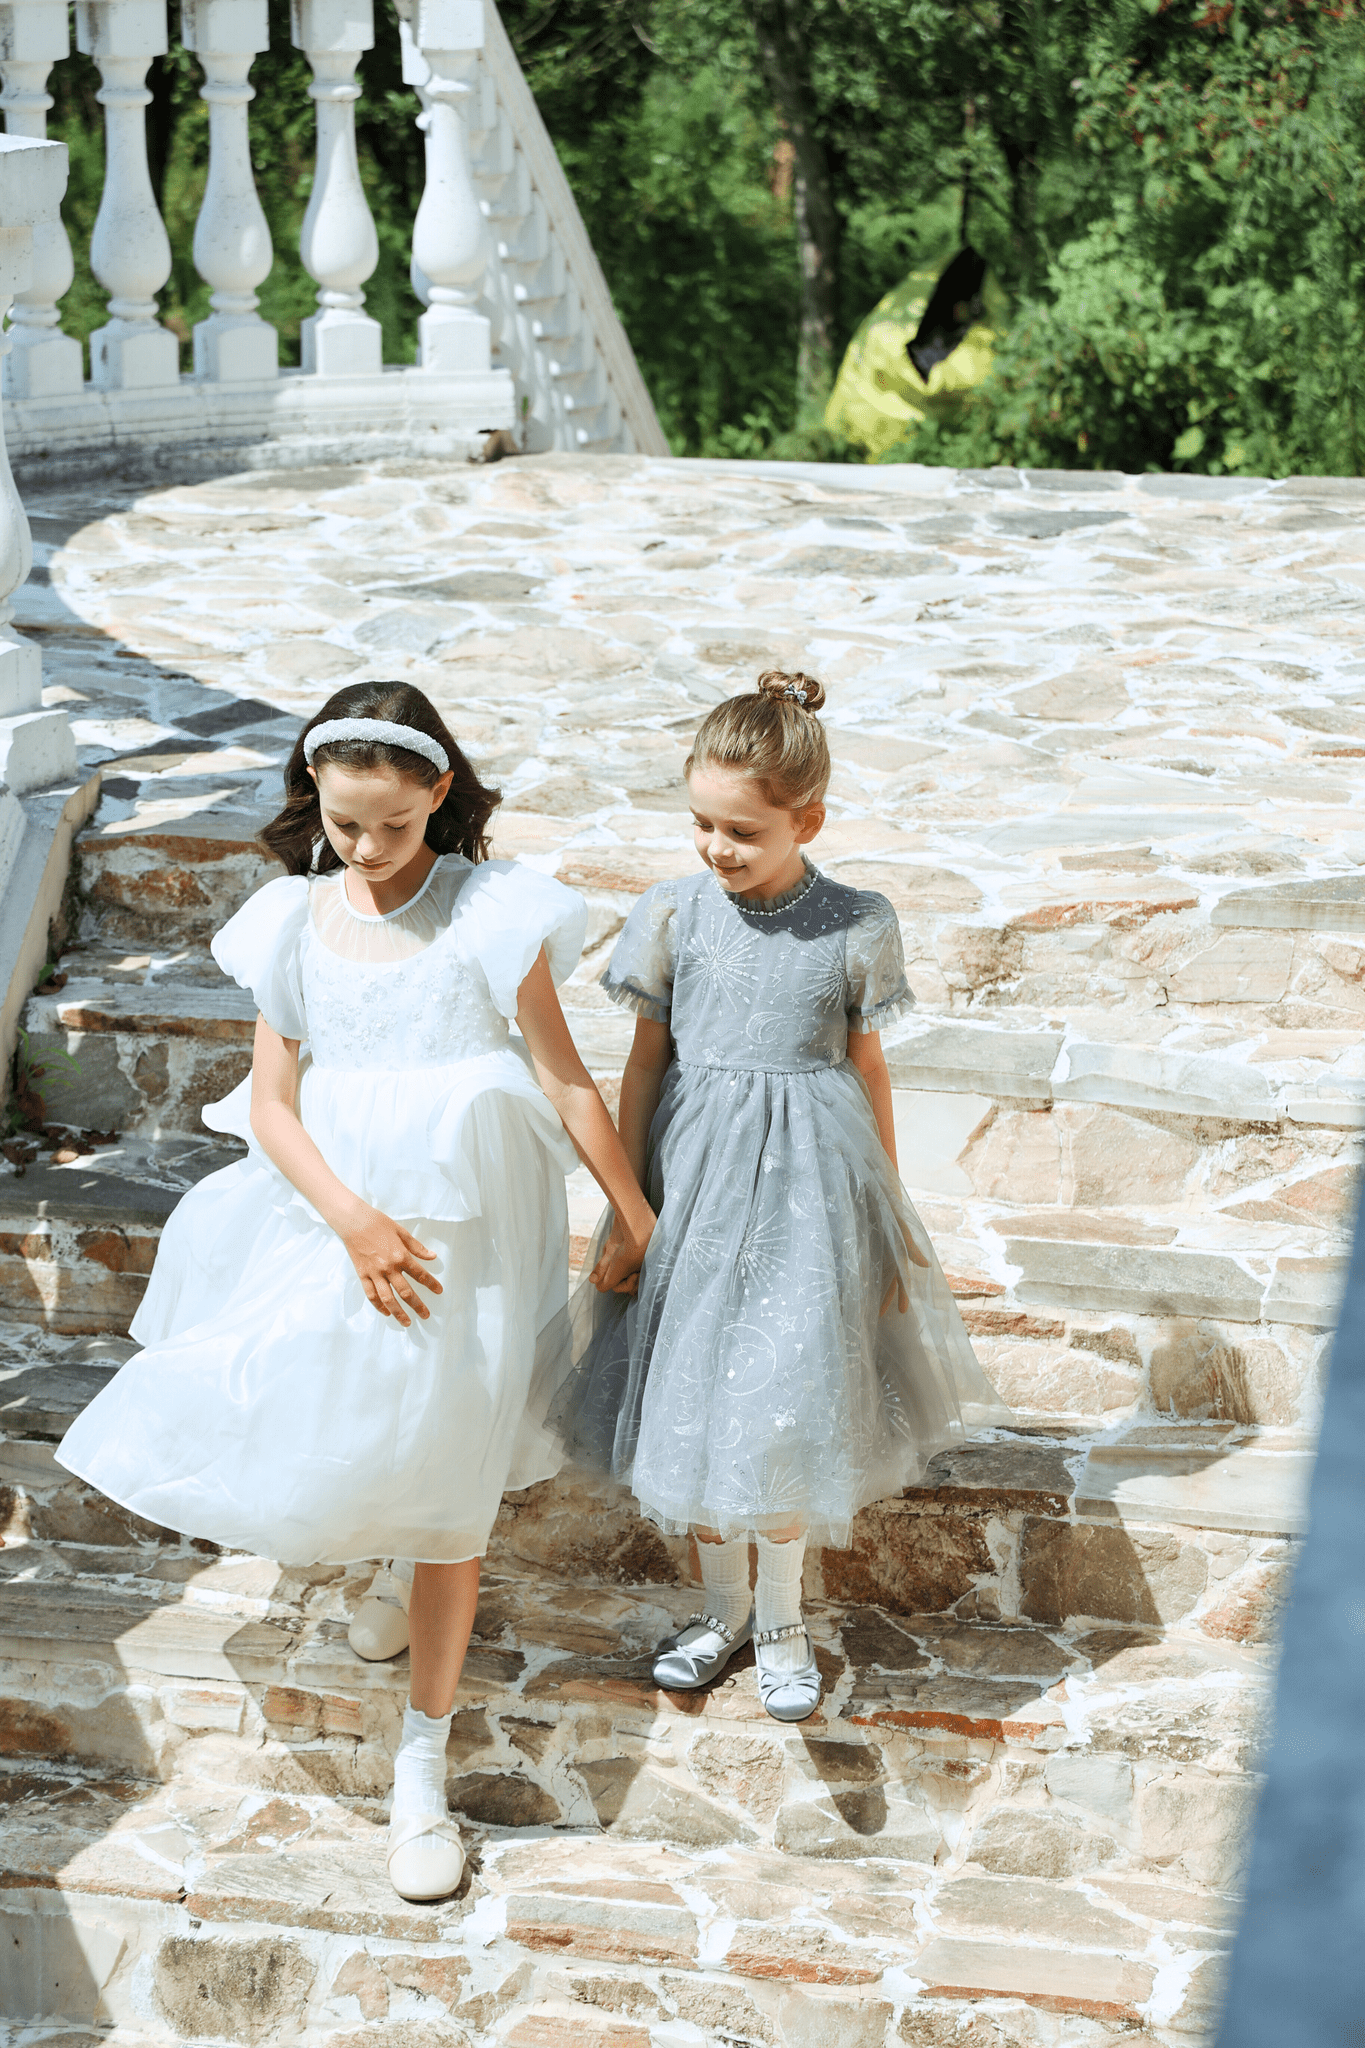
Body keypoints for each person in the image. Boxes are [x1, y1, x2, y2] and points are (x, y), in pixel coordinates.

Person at [57, 681, 653, 1902]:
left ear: (441, 790)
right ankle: (390, 1561)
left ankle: (421, 1763)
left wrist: (632, 1210)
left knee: (452, 1475)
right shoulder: (290, 919)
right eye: (343, 824)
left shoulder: (490, 914)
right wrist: (355, 1224)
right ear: (315, 802)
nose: (368, 849)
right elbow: (272, 1102)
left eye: (392, 824)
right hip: (337, 1217)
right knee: (350, 1408)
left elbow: (567, 1077)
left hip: (468, 1219)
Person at [552, 671, 1008, 1722]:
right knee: (697, 1403)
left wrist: (886, 1210)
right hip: (695, 1187)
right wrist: (629, 1209)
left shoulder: (855, 921)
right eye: (702, 822)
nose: (718, 846)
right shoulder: (672, 913)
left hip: (810, 1188)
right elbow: (641, 1064)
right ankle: (721, 1611)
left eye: (744, 829)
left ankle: (786, 1618)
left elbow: (869, 1069)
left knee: (787, 1398)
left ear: (809, 817)